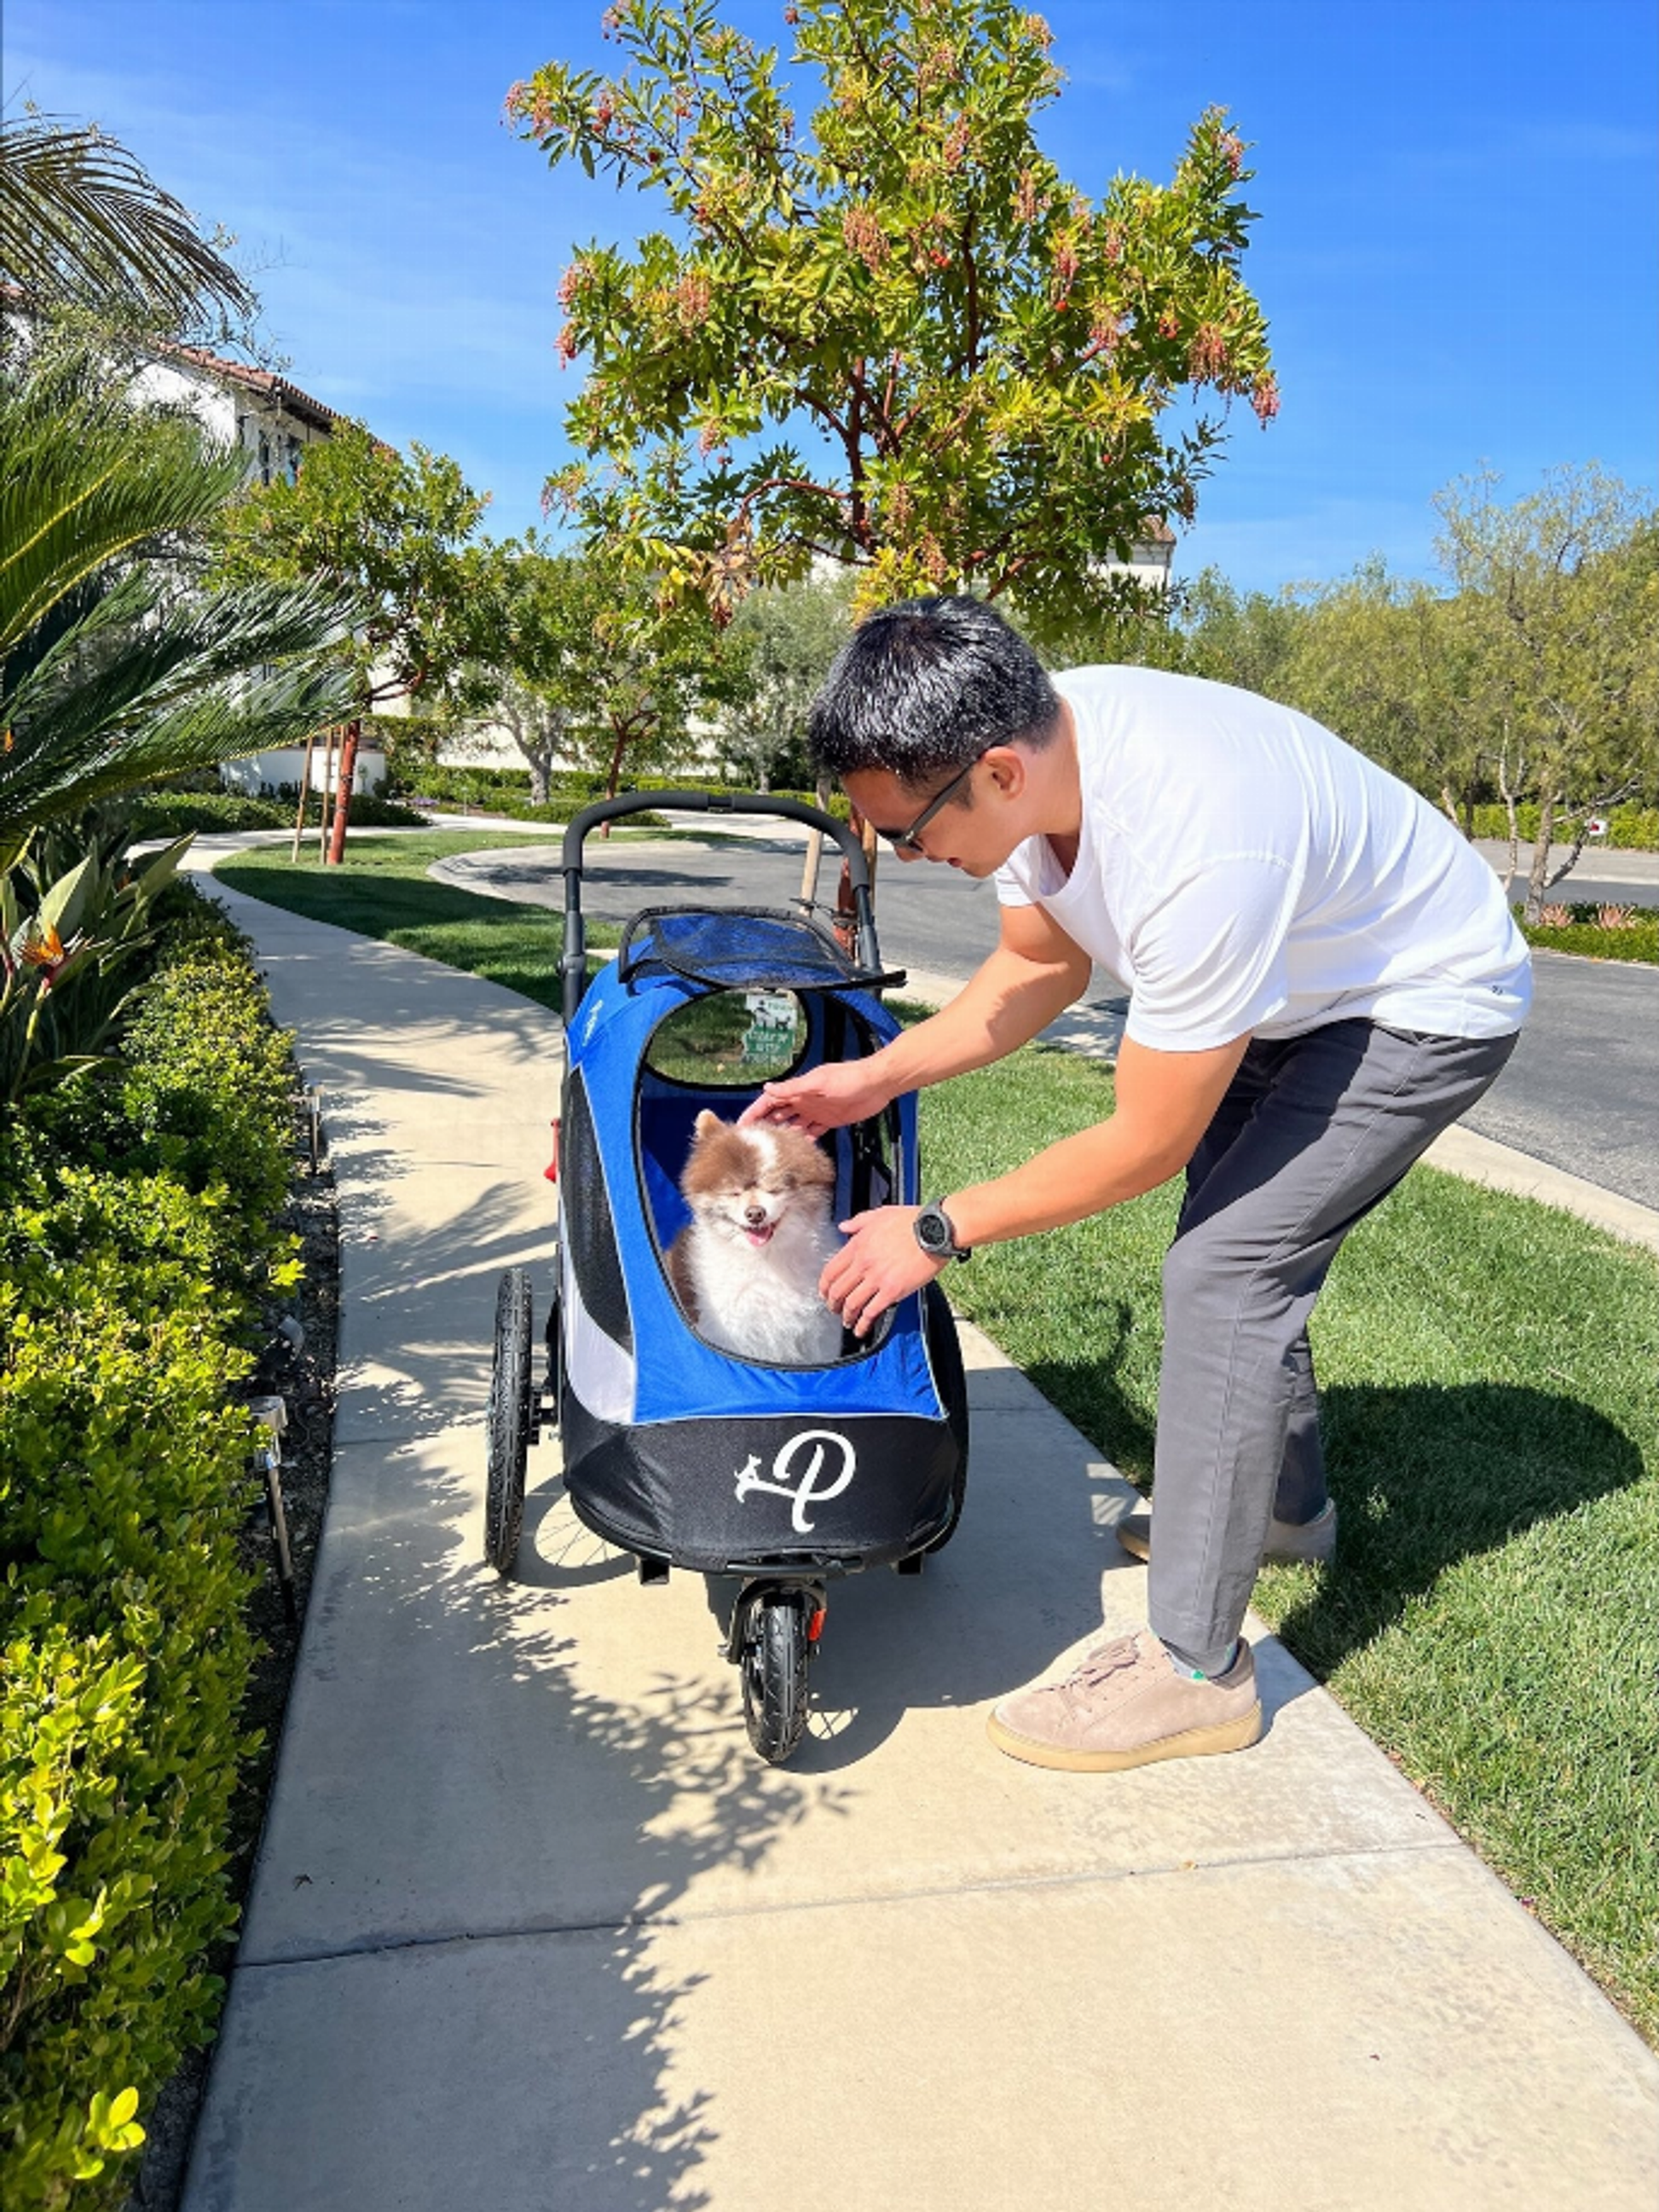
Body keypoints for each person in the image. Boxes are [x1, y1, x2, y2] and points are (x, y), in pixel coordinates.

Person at [741, 594, 1529, 1774]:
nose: (906, 858)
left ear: (994, 771)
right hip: (1298, 984)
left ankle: (1196, 1671)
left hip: (1422, 1002)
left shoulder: (1194, 838)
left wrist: (942, 1228)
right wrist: (873, 1076)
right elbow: (1035, 964)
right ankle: (1280, 1516)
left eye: (904, 834)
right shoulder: (1031, 770)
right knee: (1239, 1242)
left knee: (1225, 1265)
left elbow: (1143, 1139)